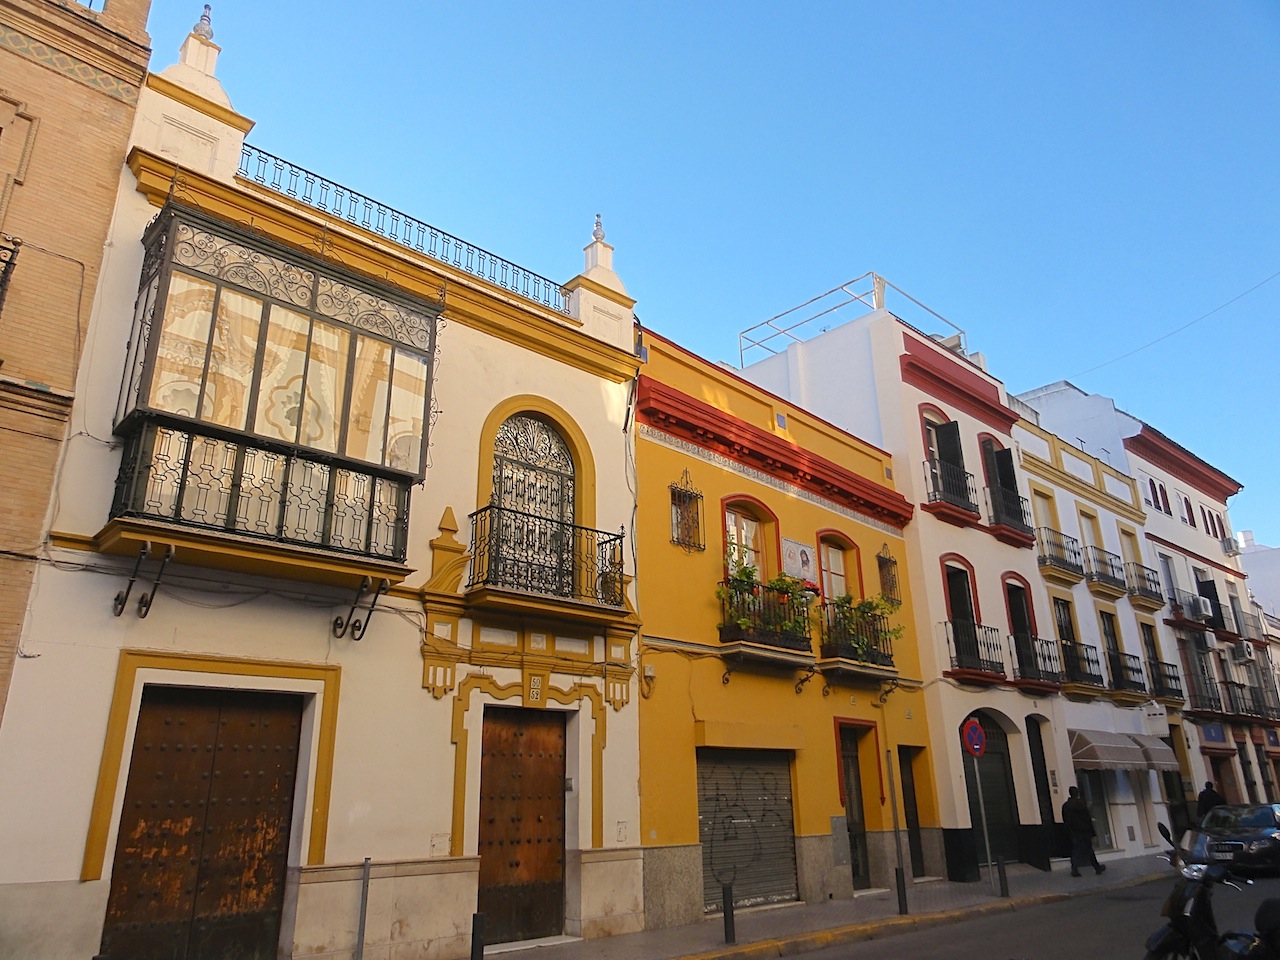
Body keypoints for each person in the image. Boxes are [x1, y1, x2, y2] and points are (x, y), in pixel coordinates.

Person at [1062, 785, 1106, 877]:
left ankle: (1074, 869)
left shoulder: (1066, 806)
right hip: (1085, 831)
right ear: (1077, 793)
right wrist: (1093, 833)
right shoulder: (1082, 804)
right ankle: (1097, 867)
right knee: (1089, 850)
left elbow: (1066, 821)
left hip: (1074, 831)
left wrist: (1069, 832)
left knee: (1075, 850)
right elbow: (1088, 819)